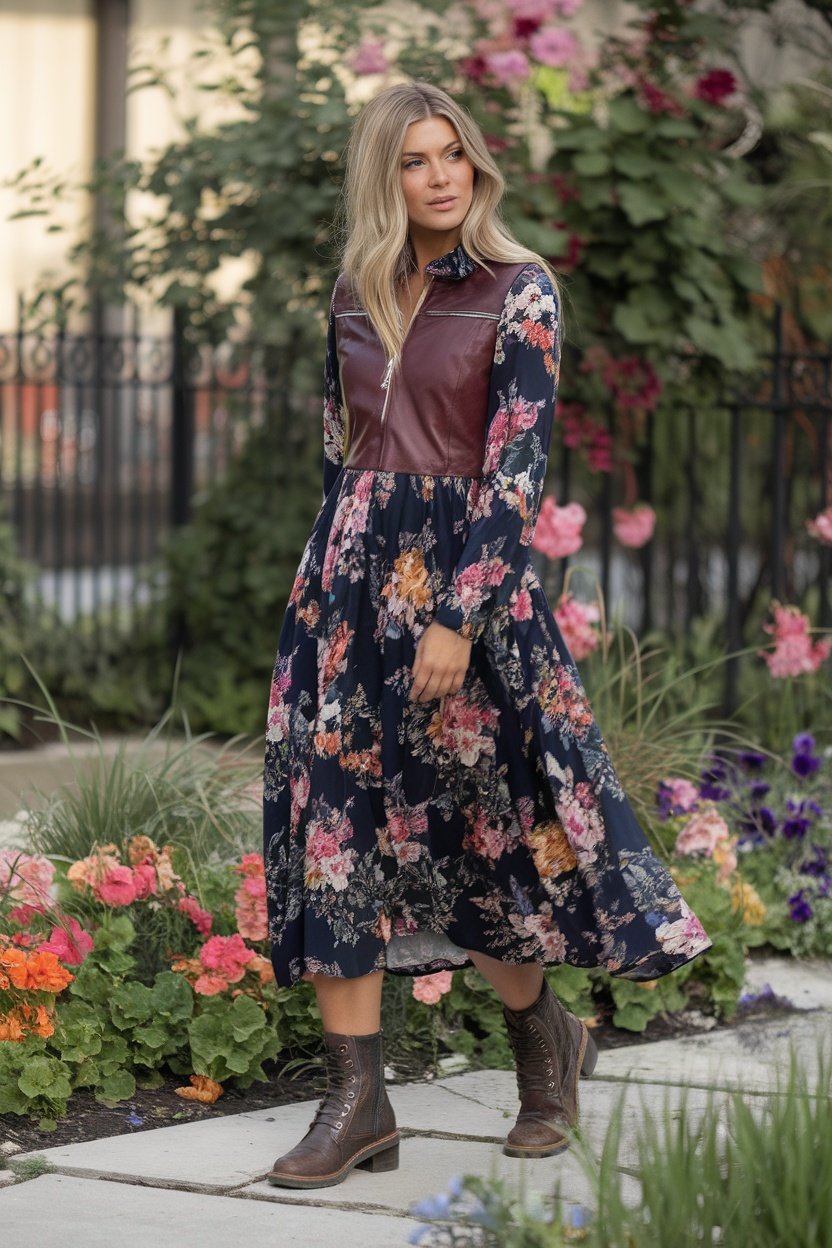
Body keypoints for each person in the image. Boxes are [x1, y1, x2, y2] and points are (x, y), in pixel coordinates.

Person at [262, 80, 711, 1191]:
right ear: (386, 177)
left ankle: (543, 1050)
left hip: (470, 591)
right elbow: (338, 453)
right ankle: (356, 1099)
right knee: (337, 829)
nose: (441, 176)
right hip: (349, 592)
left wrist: (457, 616)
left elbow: (514, 470)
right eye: (415, 160)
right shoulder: (352, 295)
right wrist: (323, 591)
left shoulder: (521, 293)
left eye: (453, 154)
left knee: (486, 830)